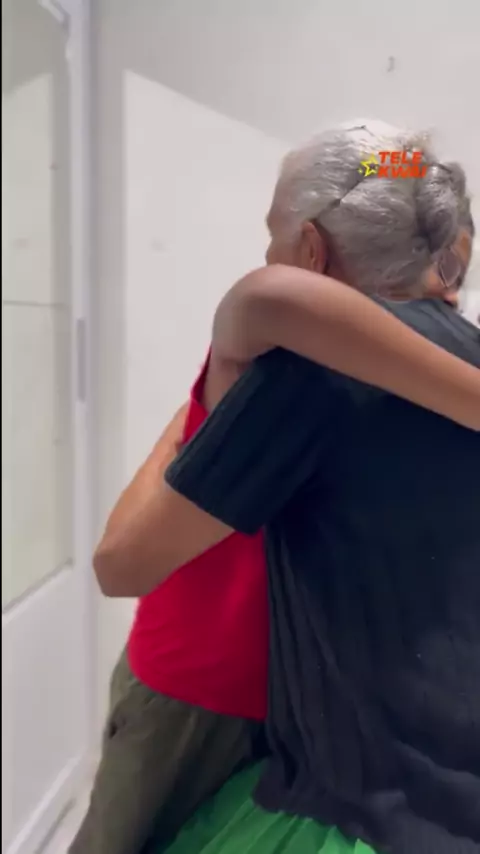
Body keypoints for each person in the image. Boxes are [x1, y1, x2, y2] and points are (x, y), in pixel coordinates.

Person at [80, 121, 480, 854]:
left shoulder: (301, 377)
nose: (266, 252)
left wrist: (198, 410)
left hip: (278, 737)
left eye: (274, 233)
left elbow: (121, 563)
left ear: (311, 250)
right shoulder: (465, 353)